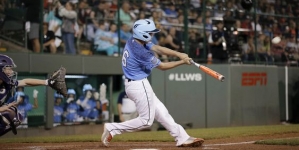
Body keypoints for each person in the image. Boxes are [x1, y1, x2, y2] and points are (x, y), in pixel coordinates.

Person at [101, 19, 204, 147]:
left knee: (162, 112)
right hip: (138, 85)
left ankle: (182, 137)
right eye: (150, 33)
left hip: (136, 84)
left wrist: (178, 54)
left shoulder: (133, 40)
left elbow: (157, 48)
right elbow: (163, 66)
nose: (152, 35)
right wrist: (182, 62)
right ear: (142, 33)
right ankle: (112, 128)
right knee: (146, 121)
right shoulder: (141, 52)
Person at [0, 54, 62, 136]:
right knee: (6, 113)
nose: (11, 72)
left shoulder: (6, 83)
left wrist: (47, 82)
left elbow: (25, 82)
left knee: (14, 114)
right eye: (8, 69)